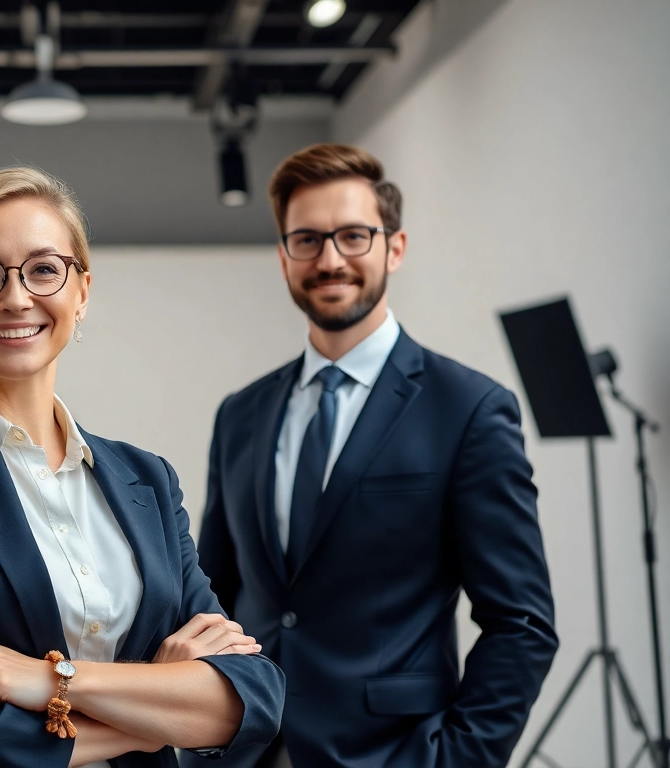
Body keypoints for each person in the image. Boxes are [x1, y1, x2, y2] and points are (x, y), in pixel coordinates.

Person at [0, 167, 284, 768]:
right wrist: (146, 720)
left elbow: (251, 698)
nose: (16, 297)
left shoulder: (145, 479)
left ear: (82, 291)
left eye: (44, 270)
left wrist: (50, 680)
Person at [188, 144, 558, 768]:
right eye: (306, 240)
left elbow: (521, 623)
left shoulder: (468, 409)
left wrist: (457, 759)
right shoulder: (241, 414)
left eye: (353, 236)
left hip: (395, 755)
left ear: (395, 246)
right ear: (284, 257)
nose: (330, 259)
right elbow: (212, 595)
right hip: (243, 750)